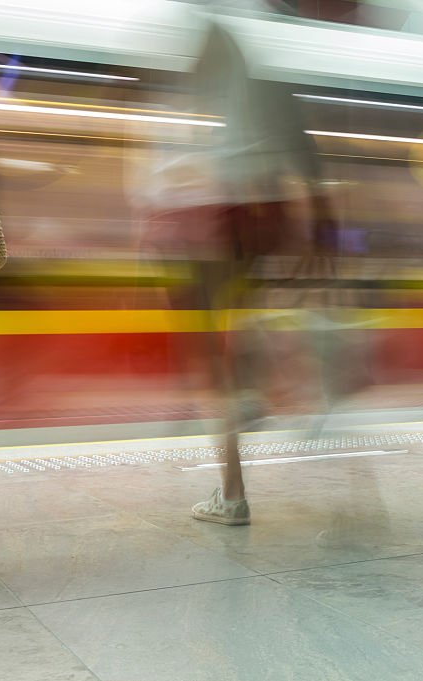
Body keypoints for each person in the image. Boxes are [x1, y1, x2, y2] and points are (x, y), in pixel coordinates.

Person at [145, 1, 335, 524]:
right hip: (256, 211)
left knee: (210, 360)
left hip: (196, 214)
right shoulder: (256, 48)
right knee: (237, 332)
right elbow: (295, 135)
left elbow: (169, 134)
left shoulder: (196, 30)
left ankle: (231, 491)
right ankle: (256, 387)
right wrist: (320, 217)